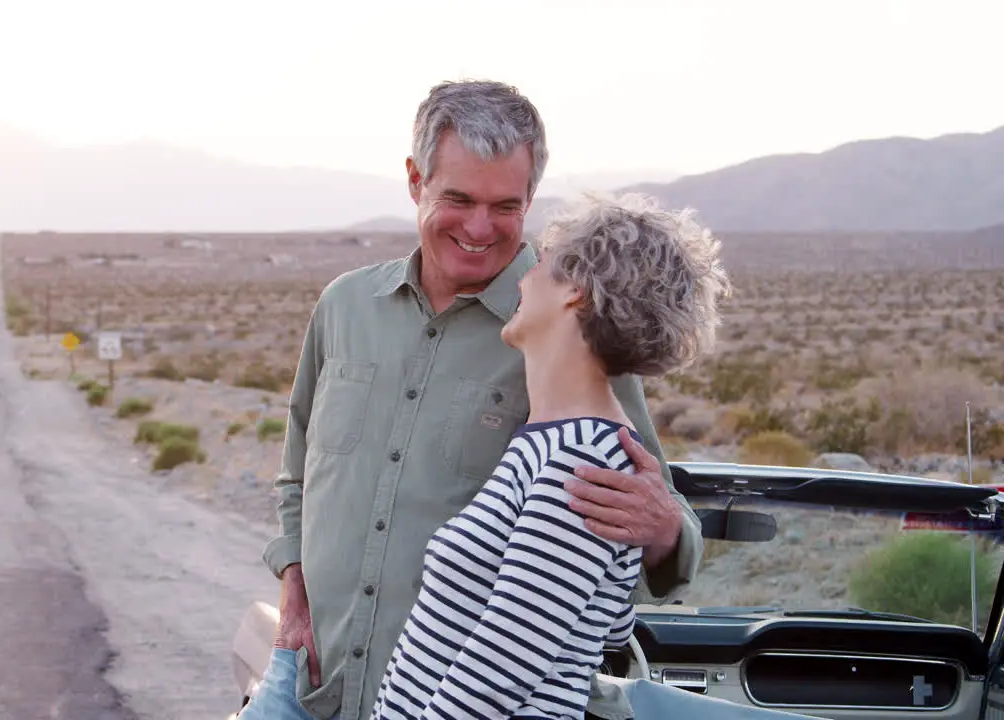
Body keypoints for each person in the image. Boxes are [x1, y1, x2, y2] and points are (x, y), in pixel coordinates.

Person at [240, 79, 705, 720]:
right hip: (316, 684)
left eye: (505, 206)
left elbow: (640, 507)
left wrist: (664, 529)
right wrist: (294, 583)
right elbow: (299, 471)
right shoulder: (344, 307)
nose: (481, 228)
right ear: (414, 180)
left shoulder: (574, 335)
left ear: (530, 198)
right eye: (458, 199)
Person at [369, 191, 731, 719]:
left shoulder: (583, 456)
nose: (521, 280)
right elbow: (603, 623)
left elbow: (497, 676)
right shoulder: (554, 442)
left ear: (576, 294)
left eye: (540, 267)